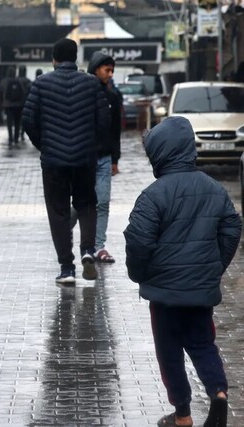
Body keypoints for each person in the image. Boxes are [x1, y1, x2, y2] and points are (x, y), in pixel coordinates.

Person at [124, 116, 241, 427]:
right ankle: (218, 395)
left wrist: (139, 273)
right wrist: (214, 267)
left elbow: (138, 240)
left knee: (170, 354)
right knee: (204, 345)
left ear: (160, 155)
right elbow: (232, 226)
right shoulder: (213, 188)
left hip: (164, 298)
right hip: (200, 294)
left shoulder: (153, 195)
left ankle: (183, 415)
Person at [22, 38, 109, 284]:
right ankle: (87, 250)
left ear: (54, 59)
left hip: (53, 161)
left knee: (58, 211)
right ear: (76, 58)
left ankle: (67, 268)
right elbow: (104, 119)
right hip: (84, 159)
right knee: (87, 204)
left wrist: (45, 144)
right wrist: (92, 145)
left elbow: (28, 119)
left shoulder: (41, 83)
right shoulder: (91, 84)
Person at [86, 51, 122, 263]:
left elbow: (115, 130)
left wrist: (115, 159)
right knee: (81, 203)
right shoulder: (83, 93)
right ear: (95, 68)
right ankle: (65, 237)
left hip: (105, 158)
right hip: (83, 158)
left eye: (112, 71)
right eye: (106, 70)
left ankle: (99, 246)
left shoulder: (112, 96)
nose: (110, 74)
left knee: (103, 201)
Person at [0, 66, 25, 148]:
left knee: (9, 122)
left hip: (8, 105)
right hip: (18, 105)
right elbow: (23, 92)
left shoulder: (3, 81)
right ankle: (16, 138)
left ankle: (10, 139)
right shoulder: (19, 81)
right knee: (17, 122)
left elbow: (0, 92)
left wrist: (1, 102)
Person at [17, 67, 32, 141]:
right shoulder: (28, 81)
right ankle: (22, 134)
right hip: (25, 102)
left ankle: (15, 136)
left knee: (16, 119)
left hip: (16, 102)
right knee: (23, 119)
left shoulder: (16, 80)